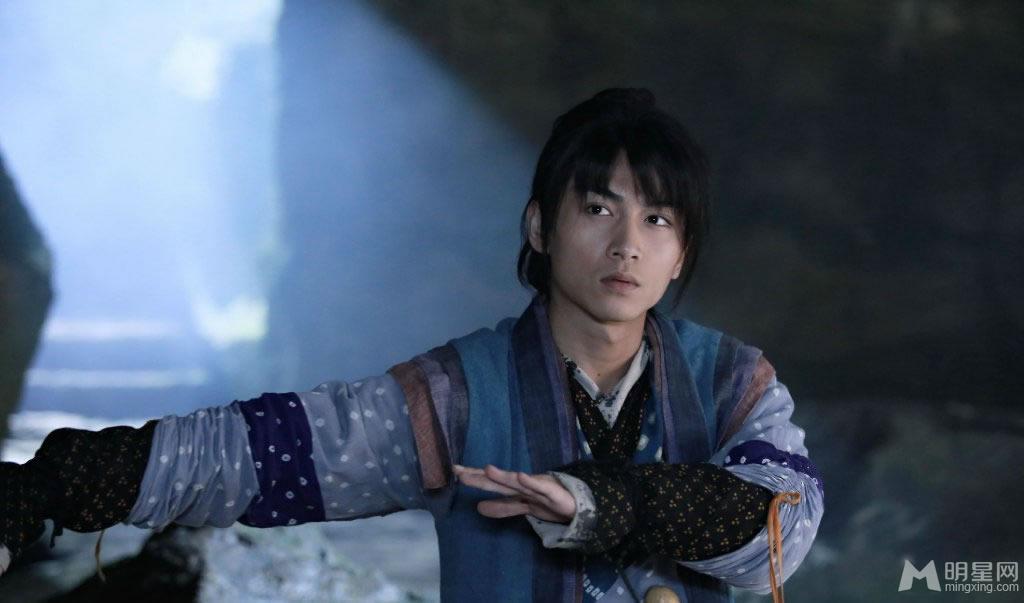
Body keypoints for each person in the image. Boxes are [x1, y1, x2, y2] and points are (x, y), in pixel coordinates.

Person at [0, 88, 824, 603]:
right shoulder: (461, 392)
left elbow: (784, 523)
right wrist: (57, 481)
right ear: (540, 225)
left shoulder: (732, 381)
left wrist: (609, 503)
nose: (627, 245)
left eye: (657, 218)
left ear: (681, 252)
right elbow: (269, 452)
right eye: (599, 207)